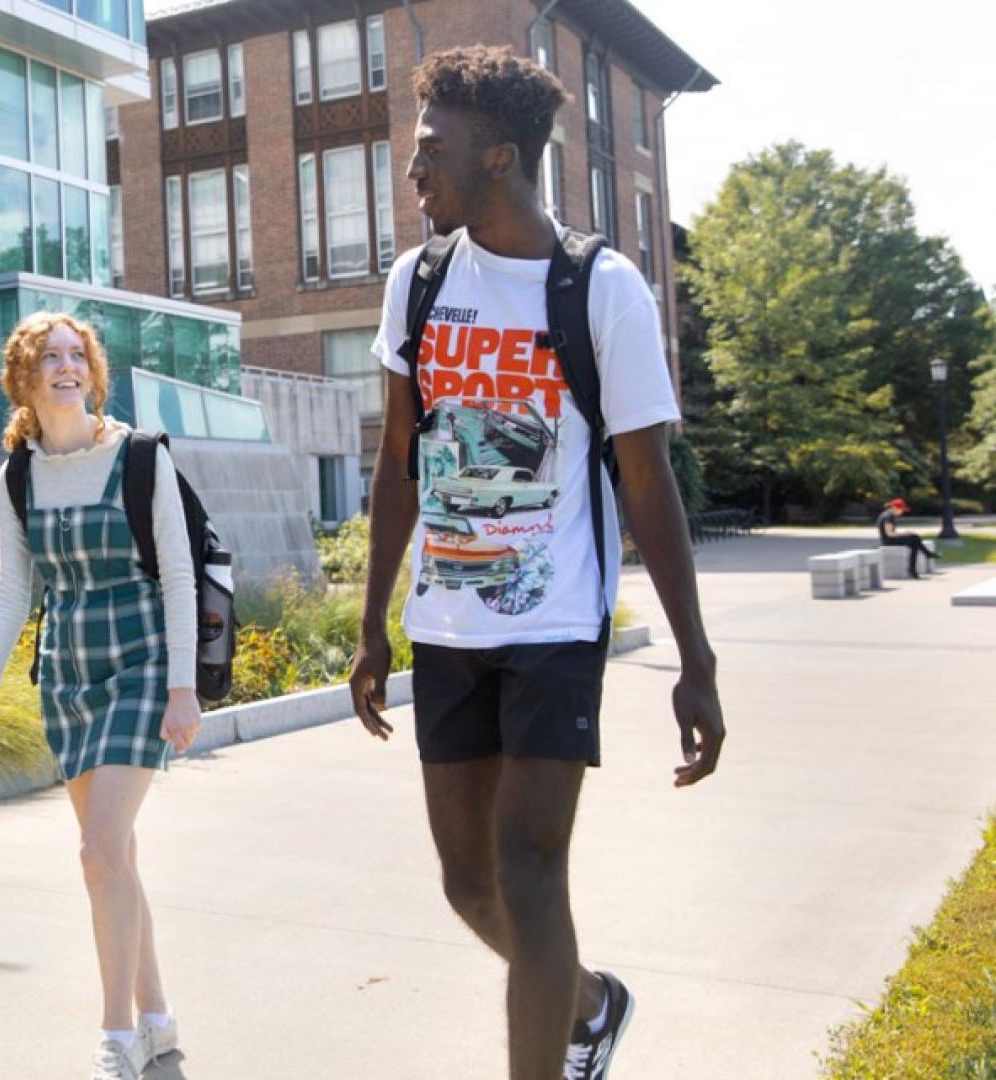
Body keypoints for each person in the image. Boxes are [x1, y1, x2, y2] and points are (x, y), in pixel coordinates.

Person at [344, 47, 727, 1080]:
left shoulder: (601, 288)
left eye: (432, 150)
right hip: (446, 627)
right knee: (468, 885)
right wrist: (373, 621)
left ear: (500, 157)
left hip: (555, 623)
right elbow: (399, 459)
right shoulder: (418, 283)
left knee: (528, 869)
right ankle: (590, 1004)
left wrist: (696, 660)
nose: (413, 170)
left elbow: (647, 481)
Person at [0, 312, 204, 1080]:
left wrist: (182, 689)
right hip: (67, 678)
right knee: (116, 859)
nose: (67, 367)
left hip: (139, 667)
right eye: (50, 357)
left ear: (93, 372)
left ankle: (117, 1034)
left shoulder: (139, 458)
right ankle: (158, 1016)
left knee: (97, 852)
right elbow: (13, 589)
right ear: (25, 379)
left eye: (78, 355)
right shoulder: (16, 477)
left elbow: (178, 574)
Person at [877, 498, 938, 578]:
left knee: (914, 543)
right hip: (888, 541)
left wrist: (907, 534)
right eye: (901, 510)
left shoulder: (887, 515)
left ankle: (914, 568)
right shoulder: (888, 517)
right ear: (895, 508)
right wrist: (906, 534)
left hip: (889, 540)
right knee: (915, 538)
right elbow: (890, 534)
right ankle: (926, 555)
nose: (902, 512)